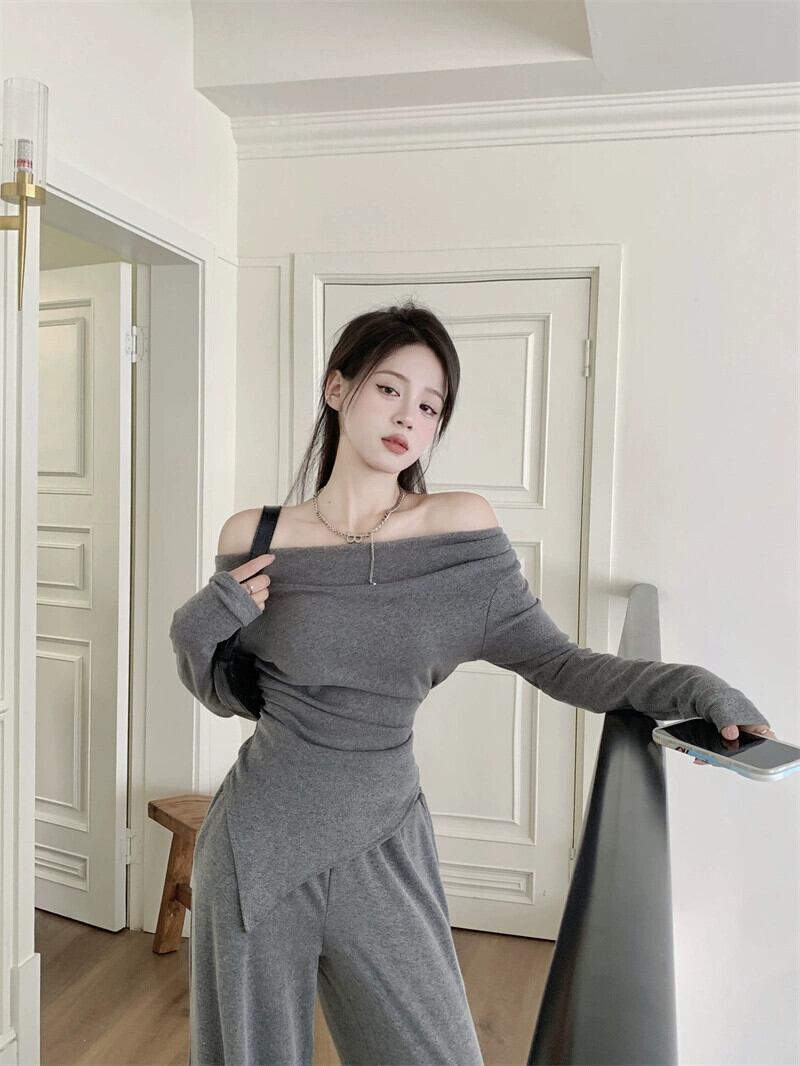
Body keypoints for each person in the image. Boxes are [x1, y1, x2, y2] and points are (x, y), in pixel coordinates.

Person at [169, 301, 774, 1066]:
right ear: (337, 389)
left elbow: (561, 664)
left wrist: (696, 690)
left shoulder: (459, 535)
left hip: (382, 840)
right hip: (257, 843)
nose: (408, 416)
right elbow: (231, 694)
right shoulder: (253, 536)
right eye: (389, 389)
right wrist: (195, 627)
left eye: (430, 405)